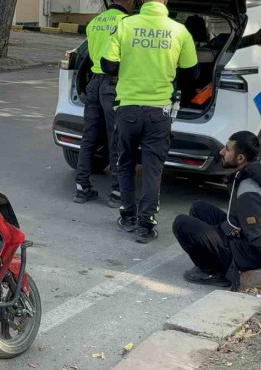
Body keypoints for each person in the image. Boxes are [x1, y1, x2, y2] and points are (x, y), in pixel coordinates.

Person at [101, 0, 199, 244]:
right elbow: (192, 73)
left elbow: (107, 65)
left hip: (128, 109)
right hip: (160, 112)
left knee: (125, 163)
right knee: (153, 168)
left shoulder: (125, 25)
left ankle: (127, 216)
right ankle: (146, 224)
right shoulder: (179, 30)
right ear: (165, 1)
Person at [172, 131, 261, 289]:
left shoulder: (249, 192)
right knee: (199, 208)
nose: (221, 152)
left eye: (227, 149)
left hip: (252, 252)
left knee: (181, 223)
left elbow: (260, 237)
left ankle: (216, 272)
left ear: (240, 158)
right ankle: (218, 253)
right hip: (254, 237)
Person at [72, 0, 135, 207]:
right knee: (116, 137)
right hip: (113, 84)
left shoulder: (94, 22)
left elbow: (91, 55)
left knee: (89, 136)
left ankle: (82, 188)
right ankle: (117, 192)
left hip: (93, 83)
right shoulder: (126, 22)